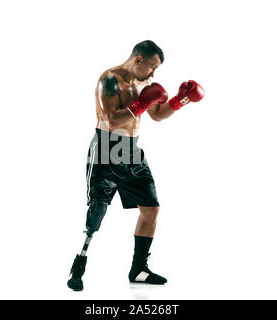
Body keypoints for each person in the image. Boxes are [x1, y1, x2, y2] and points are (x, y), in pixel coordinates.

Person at [67, 40, 205, 291]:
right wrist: (142, 104)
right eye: (152, 67)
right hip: (107, 149)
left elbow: (158, 114)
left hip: (132, 151)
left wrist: (181, 100)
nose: (154, 74)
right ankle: (80, 263)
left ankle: (139, 269)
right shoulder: (109, 79)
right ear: (138, 59)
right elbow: (111, 119)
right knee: (97, 210)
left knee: (151, 209)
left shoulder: (144, 83)